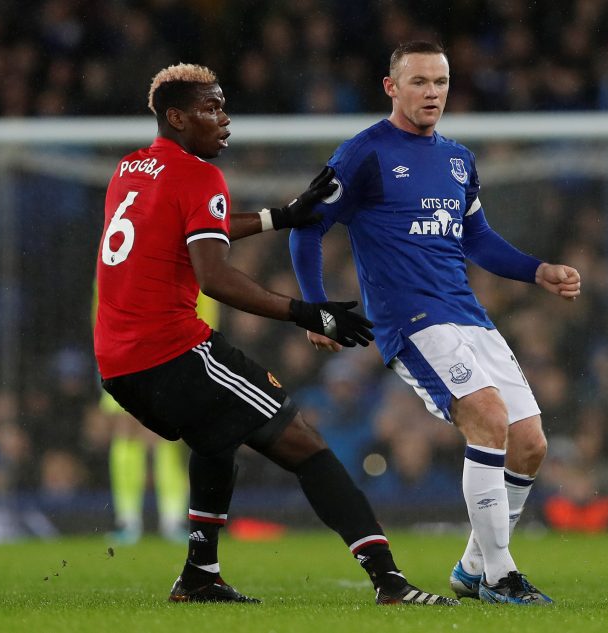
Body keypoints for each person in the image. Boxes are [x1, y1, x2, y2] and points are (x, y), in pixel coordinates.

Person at [94, 62, 459, 606]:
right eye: (210, 108)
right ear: (177, 117)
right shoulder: (198, 176)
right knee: (304, 443)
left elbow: (198, 225)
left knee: (216, 438)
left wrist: (280, 216)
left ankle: (200, 574)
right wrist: (307, 313)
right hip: (171, 352)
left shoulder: (131, 169)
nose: (225, 119)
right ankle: (389, 580)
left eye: (224, 106)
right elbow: (214, 276)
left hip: (118, 363)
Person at [290, 41, 581, 605]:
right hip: (410, 320)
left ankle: (472, 568)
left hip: (466, 314)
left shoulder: (458, 160)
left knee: (529, 443)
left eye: (441, 82)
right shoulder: (363, 153)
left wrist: (538, 270)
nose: (432, 93)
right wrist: (315, 306)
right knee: (488, 418)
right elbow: (306, 226)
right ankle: (500, 577)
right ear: (391, 87)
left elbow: (477, 238)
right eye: (419, 81)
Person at [99, 290, 217, 545]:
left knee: (171, 434)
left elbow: (205, 311)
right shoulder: (113, 264)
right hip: (126, 352)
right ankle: (127, 520)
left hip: (176, 354)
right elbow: (102, 310)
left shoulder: (192, 269)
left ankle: (172, 519)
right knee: (127, 432)